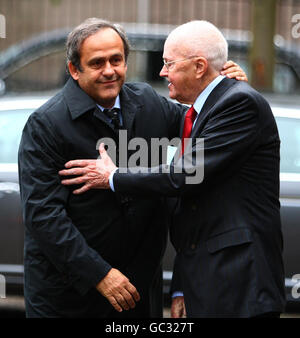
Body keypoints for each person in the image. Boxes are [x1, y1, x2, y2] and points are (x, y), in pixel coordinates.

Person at [18, 17, 247, 318]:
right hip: (69, 296)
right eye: (97, 63)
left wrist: (223, 89)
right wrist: (99, 274)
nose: (110, 71)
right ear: (75, 69)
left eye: (117, 60)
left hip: (138, 291)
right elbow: (44, 217)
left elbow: (202, 129)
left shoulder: (147, 101)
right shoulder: (45, 125)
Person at [60, 20, 286, 318]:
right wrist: (180, 286)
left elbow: (184, 175)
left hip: (240, 285)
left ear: (200, 66)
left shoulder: (238, 103)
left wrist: (112, 176)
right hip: (207, 283)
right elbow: (194, 209)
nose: (162, 72)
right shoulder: (202, 111)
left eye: (168, 63)